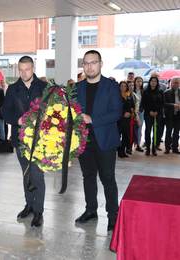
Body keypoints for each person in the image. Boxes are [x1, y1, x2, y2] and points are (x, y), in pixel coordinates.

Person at [75, 50, 122, 232]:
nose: (89, 66)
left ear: (100, 64)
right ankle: (91, 210)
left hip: (105, 141)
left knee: (108, 179)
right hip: (84, 142)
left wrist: (92, 119)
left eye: (93, 62)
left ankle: (113, 215)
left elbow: (116, 113)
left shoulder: (111, 86)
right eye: (86, 63)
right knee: (88, 177)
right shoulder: (77, 88)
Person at [1, 56, 47, 227]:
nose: (23, 73)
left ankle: (38, 211)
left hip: (40, 140)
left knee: (37, 175)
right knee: (26, 174)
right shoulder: (13, 89)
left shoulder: (43, 87)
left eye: (27, 69)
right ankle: (29, 205)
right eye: (20, 70)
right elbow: (5, 112)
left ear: (33, 68)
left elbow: (53, 112)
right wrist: (17, 120)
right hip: (20, 139)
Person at [140, 76, 164, 156]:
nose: (153, 82)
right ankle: (148, 148)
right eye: (152, 81)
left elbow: (162, 103)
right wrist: (149, 111)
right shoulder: (145, 91)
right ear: (149, 82)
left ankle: (154, 148)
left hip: (157, 114)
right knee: (148, 131)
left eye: (155, 81)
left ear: (157, 83)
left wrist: (157, 111)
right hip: (148, 114)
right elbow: (143, 103)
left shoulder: (160, 91)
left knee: (156, 132)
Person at [117, 81, 135, 158]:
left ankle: (123, 151)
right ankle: (119, 151)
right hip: (119, 119)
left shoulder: (129, 95)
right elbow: (115, 107)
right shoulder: (116, 96)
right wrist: (123, 113)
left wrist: (131, 113)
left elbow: (132, 106)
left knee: (126, 136)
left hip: (127, 119)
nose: (123, 87)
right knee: (118, 135)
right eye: (121, 86)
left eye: (125, 86)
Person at [163, 76, 180, 154]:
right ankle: (167, 148)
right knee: (168, 132)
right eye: (174, 82)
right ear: (171, 83)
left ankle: (175, 148)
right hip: (169, 115)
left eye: (177, 83)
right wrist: (173, 105)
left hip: (178, 116)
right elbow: (164, 104)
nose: (176, 84)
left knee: (176, 133)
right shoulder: (166, 92)